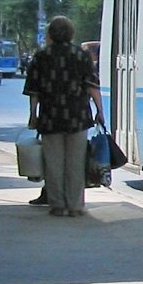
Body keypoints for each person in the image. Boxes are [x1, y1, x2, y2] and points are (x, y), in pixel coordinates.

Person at [24, 16, 104, 217]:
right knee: (75, 163)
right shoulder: (81, 55)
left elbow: (34, 91)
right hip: (77, 116)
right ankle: (76, 206)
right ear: (71, 33)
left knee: (53, 163)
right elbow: (92, 86)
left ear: (50, 34)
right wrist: (100, 111)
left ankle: (57, 205)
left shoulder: (41, 56)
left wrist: (33, 114)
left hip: (50, 117)